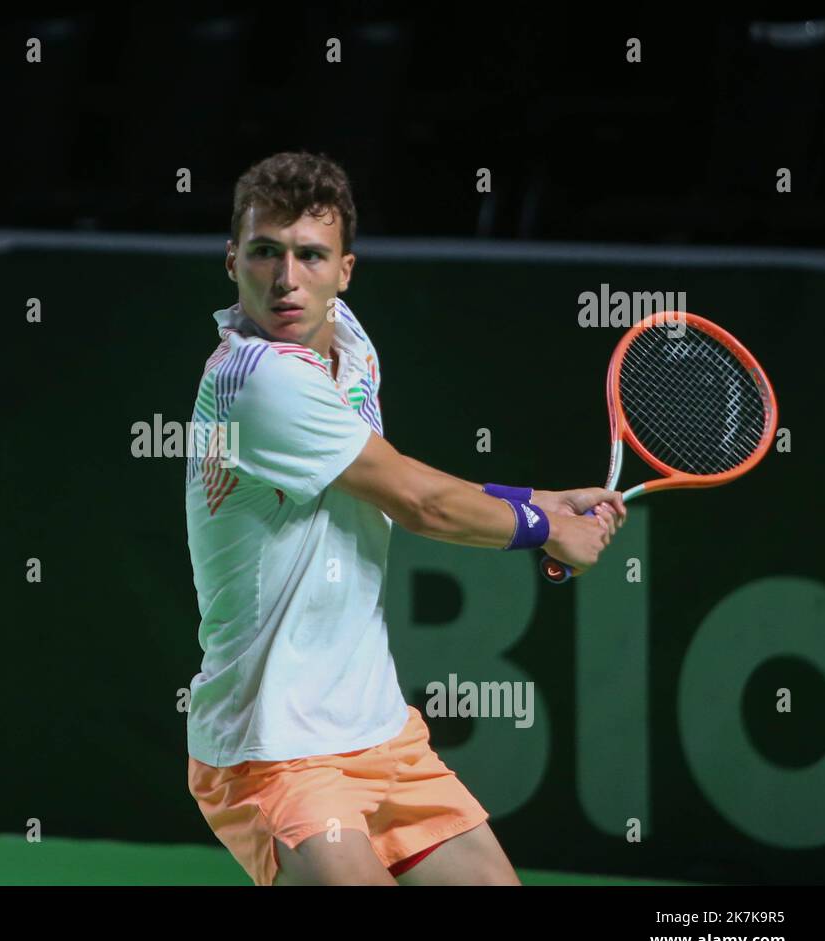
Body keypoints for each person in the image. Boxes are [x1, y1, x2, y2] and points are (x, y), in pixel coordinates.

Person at [183, 150, 625, 886]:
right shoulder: (256, 382)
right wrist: (546, 531)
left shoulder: (349, 346)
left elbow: (386, 475)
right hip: (276, 745)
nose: (287, 278)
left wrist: (533, 501)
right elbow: (417, 503)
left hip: (381, 732)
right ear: (234, 262)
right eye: (265, 253)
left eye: (310, 255)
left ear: (344, 270)